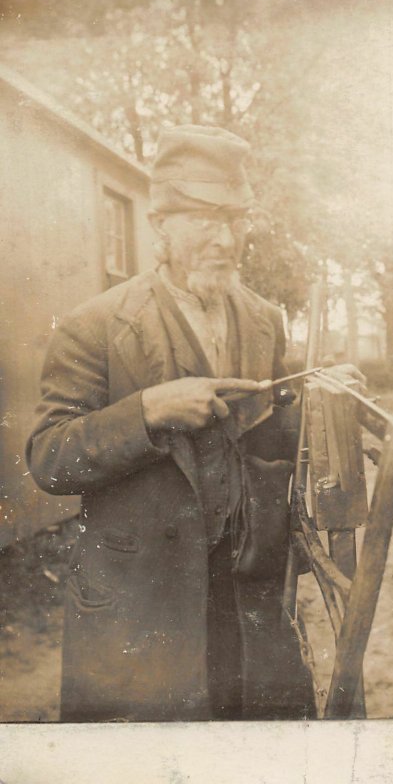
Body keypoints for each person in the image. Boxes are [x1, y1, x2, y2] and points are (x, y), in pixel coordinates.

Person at [26, 124, 316, 722]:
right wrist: (146, 413)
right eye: (205, 219)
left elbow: (277, 432)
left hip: (244, 599)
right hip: (139, 606)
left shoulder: (263, 320)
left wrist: (326, 405)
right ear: (160, 224)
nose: (225, 239)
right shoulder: (95, 326)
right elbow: (49, 459)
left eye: (236, 220)